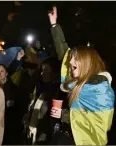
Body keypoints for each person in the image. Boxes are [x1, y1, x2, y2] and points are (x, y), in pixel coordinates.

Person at [49, 7, 115, 145]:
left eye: (75, 59)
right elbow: (63, 53)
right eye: (71, 58)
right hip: (66, 137)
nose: (70, 62)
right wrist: (54, 26)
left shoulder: (99, 89)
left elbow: (99, 123)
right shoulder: (78, 83)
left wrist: (64, 115)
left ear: (86, 62)